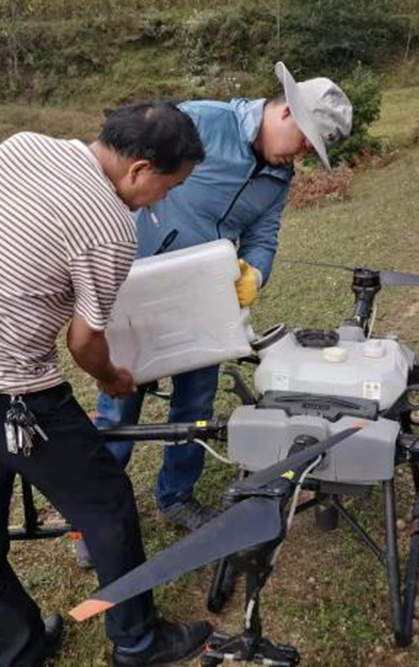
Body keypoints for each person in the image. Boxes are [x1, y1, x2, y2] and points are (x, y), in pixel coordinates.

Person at [0, 102, 213, 667]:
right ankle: (137, 641)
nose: (164, 199)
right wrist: (113, 379)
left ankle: (18, 649)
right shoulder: (109, 227)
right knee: (108, 504)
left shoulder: (21, 144)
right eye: (169, 185)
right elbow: (84, 342)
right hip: (7, 393)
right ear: (140, 170)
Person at [84, 62, 353, 559]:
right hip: (138, 282)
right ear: (286, 113)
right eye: (303, 142)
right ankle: (96, 515)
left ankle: (176, 496)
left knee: (197, 402)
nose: (300, 156)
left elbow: (264, 235)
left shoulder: (279, 178)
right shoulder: (204, 121)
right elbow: (129, 167)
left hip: (202, 297)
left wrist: (257, 273)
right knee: (119, 400)